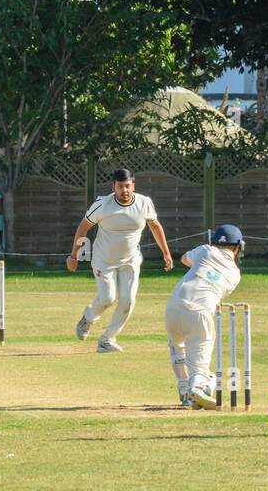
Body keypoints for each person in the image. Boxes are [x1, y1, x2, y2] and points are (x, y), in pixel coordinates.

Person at [67, 169, 173, 352]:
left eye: (127, 186)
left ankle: (107, 339)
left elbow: (155, 226)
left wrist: (166, 252)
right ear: (113, 187)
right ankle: (88, 318)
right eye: (120, 186)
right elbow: (83, 228)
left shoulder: (144, 203)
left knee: (128, 301)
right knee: (108, 298)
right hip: (103, 260)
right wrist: (73, 256)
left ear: (133, 185)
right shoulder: (102, 204)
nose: (124, 190)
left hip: (130, 261)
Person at [164, 224, 244, 408]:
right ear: (239, 246)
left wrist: (200, 263)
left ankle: (185, 390)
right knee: (200, 367)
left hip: (173, 305)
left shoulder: (204, 250)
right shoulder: (235, 274)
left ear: (214, 242)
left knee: (177, 346)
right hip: (200, 311)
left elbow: (184, 259)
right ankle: (198, 388)